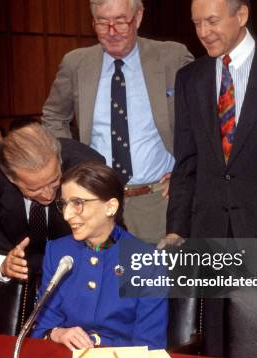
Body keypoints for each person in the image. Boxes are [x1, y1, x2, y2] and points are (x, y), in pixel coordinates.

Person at [42, 0, 194, 244]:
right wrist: (73, 168)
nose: (111, 32)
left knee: (159, 280)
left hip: (159, 203)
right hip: (97, 205)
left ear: (139, 16)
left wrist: (187, 171)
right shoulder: (75, 64)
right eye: (102, 23)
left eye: (121, 22)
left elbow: (202, 120)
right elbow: (53, 116)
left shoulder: (172, 58)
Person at [164, 0, 257, 246]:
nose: (203, 32)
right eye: (197, 23)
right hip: (207, 235)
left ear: (242, 15)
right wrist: (176, 229)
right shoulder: (189, 79)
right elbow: (186, 163)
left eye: (212, 21)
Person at [0, 122, 104, 335]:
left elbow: (109, 235)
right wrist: (3, 265)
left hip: (78, 268)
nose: (47, 195)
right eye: (34, 189)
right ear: (11, 178)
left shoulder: (88, 167)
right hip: (12, 283)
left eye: (54, 181)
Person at [31, 162, 167, 350]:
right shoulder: (58, 252)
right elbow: (41, 326)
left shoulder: (148, 262)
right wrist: (57, 333)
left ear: (110, 207)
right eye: (64, 204)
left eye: (78, 203)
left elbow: (150, 345)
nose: (67, 215)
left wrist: (97, 345)